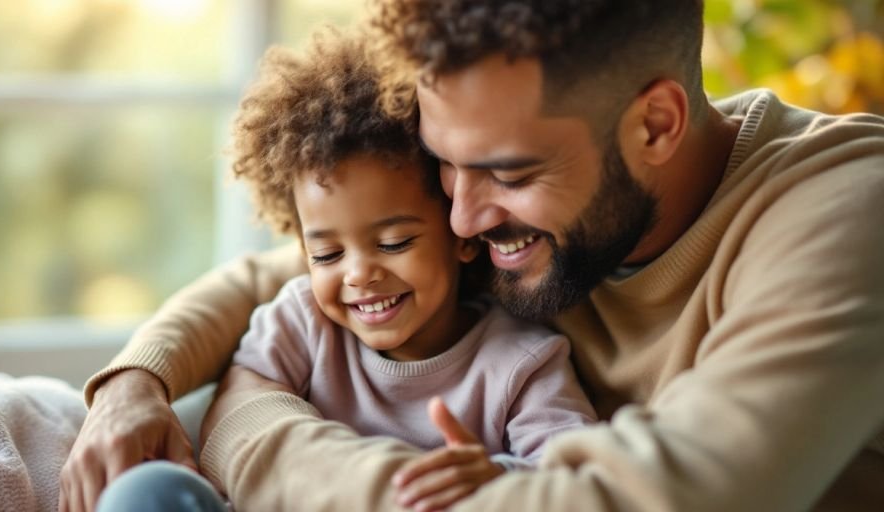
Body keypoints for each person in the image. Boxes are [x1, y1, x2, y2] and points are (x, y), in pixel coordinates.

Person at [61, 1, 884, 511]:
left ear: (657, 126)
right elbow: (264, 287)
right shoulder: (519, 206)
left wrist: (249, 427)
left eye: (507, 173)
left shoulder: (847, 215)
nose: (461, 217)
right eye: (445, 165)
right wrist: (138, 383)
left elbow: (650, 500)